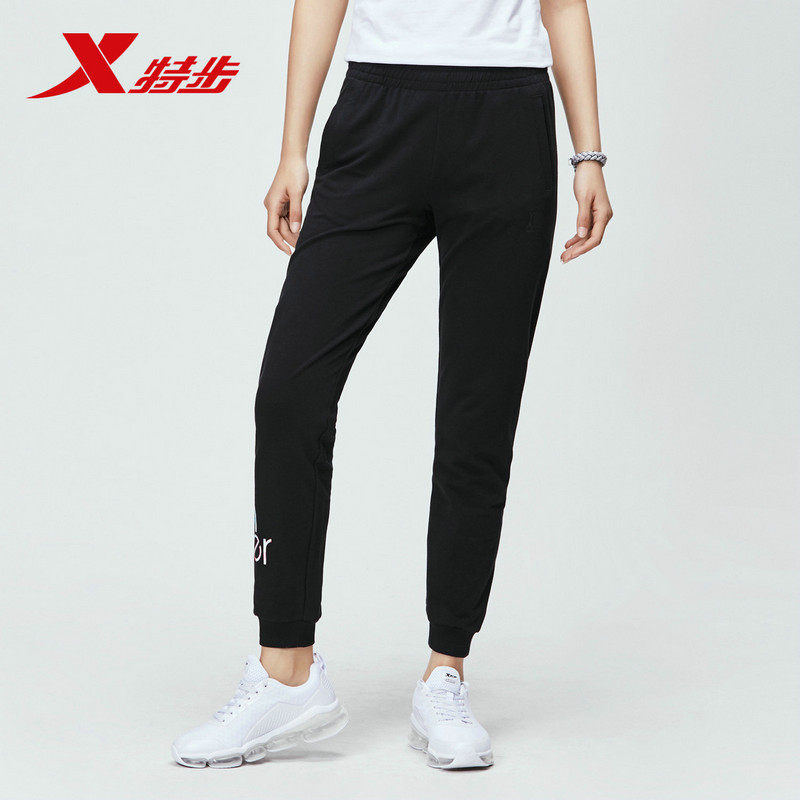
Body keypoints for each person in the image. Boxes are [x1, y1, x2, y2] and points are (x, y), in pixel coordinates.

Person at [172, 0, 612, 770]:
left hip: (506, 122)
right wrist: (292, 149)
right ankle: (286, 671)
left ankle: (446, 673)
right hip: (378, 111)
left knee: (478, 415)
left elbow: (563, 4)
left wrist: (589, 155)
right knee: (290, 393)